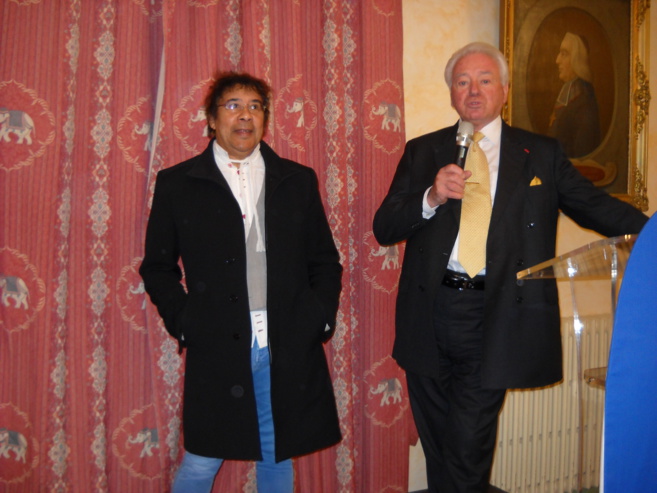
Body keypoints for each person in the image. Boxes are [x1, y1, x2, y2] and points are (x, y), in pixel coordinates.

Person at [373, 42, 649, 493]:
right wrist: (431, 196)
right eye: (462, 82)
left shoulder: (540, 153)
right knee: (440, 446)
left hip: (497, 316)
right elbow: (384, 227)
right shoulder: (424, 151)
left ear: (503, 89)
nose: (473, 91)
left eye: (484, 80)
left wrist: (651, 233)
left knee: (467, 449)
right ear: (451, 93)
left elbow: (595, 207)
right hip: (429, 314)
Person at [139, 72, 343, 493]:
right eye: (232, 105)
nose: (245, 115)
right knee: (201, 461)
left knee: (276, 455)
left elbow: (324, 261)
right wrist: (184, 321)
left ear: (265, 118)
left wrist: (319, 316)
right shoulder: (178, 183)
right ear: (212, 119)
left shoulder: (296, 180)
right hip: (216, 343)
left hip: (286, 342)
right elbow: (157, 267)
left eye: (255, 106)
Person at [548, 32, 601, 157]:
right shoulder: (568, 90)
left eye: (564, 54)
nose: (557, 60)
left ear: (577, 60)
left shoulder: (584, 101)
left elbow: (582, 153)